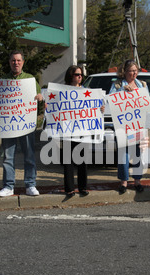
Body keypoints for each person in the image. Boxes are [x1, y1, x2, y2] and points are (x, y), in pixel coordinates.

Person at [0, 50, 43, 197]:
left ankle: (30, 184)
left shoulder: (30, 79)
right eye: (13, 60)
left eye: (18, 60)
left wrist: (40, 97)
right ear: (9, 62)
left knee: (29, 155)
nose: (16, 63)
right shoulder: (2, 81)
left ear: (23, 62)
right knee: (8, 157)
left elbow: (39, 100)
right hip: (8, 126)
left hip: (25, 124)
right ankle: (8, 186)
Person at [109, 59, 145, 194]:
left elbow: (145, 103)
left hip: (137, 125)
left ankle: (137, 181)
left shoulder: (141, 85)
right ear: (125, 72)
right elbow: (111, 100)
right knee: (123, 155)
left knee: (137, 154)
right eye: (131, 70)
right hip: (122, 126)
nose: (133, 73)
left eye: (135, 70)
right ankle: (123, 182)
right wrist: (123, 92)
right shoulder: (117, 85)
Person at [60, 65, 90, 198]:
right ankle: (69, 189)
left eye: (81, 75)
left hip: (82, 129)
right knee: (68, 160)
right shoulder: (62, 91)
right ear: (70, 76)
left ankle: (83, 187)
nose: (80, 77)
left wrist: (99, 108)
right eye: (77, 74)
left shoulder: (86, 91)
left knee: (82, 160)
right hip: (67, 130)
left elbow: (92, 109)